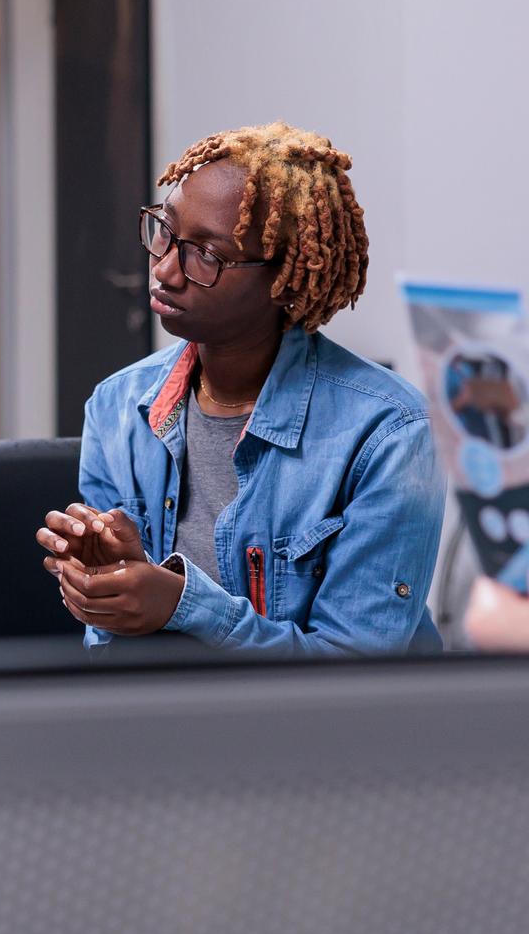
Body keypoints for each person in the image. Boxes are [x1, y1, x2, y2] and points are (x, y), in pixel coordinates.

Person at [35, 122, 444, 656]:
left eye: (206, 254)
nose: (165, 268)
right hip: (175, 724)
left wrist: (182, 605)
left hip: (335, 737)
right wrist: (102, 593)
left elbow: (357, 670)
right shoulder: (117, 406)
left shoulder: (389, 432)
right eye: (165, 230)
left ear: (286, 282)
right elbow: (110, 646)